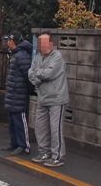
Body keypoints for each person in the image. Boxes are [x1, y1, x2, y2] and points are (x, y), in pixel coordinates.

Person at [27, 31, 69, 167]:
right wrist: (38, 74)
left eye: (44, 42)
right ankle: (44, 152)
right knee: (40, 127)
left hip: (57, 98)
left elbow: (48, 74)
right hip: (42, 97)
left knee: (55, 128)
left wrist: (37, 74)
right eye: (40, 43)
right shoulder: (38, 57)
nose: (42, 45)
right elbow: (30, 74)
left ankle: (57, 156)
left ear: (51, 43)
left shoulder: (57, 57)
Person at [2, 32, 33, 155]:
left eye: (9, 40)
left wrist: (30, 90)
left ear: (13, 41)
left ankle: (24, 145)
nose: (7, 43)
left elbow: (28, 75)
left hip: (19, 93)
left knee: (20, 121)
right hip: (13, 93)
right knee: (13, 121)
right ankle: (14, 143)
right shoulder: (16, 54)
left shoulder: (22, 56)